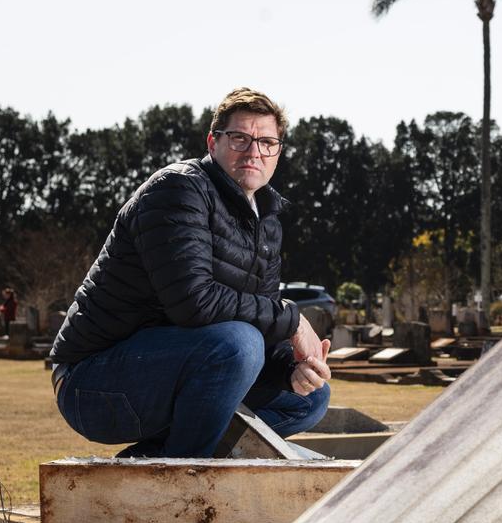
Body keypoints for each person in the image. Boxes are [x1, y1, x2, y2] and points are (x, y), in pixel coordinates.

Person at [49, 88, 331, 457]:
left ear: (278, 151)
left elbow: (256, 316)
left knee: (307, 398)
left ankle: (149, 462)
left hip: (180, 370)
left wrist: (287, 370)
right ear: (213, 142)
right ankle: (184, 480)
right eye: (240, 138)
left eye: (266, 142)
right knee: (238, 343)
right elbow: (194, 304)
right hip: (94, 383)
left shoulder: (267, 219)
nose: (254, 152)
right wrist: (292, 320)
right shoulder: (179, 188)